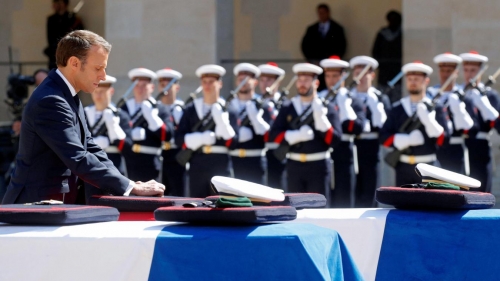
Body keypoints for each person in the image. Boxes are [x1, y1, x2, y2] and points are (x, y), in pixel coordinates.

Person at [2, 30, 165, 204]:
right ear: (74, 63)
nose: (103, 76)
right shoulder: (51, 100)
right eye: (98, 68)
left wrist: (127, 185)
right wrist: (130, 187)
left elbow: (91, 148)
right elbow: (77, 156)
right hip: (32, 210)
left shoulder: (67, 95)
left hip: (53, 207)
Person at [269, 63, 341, 204]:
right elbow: (274, 135)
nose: (302, 84)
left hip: (319, 166)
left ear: (316, 83)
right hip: (294, 165)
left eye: (307, 80)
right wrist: (293, 136)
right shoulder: (288, 107)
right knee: (295, 209)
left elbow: (335, 139)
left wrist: (322, 121)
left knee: (319, 209)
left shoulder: (326, 107)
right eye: (300, 80)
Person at [175, 65, 238, 198]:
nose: (208, 85)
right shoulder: (191, 109)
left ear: (220, 84)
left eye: (211, 82)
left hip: (220, 163)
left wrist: (223, 123)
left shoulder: (228, 109)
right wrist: (198, 138)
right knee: (197, 203)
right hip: (198, 163)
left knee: (221, 204)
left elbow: (234, 144)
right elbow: (178, 138)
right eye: (205, 82)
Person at [380, 62, 448, 186]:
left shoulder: (436, 108)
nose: (413, 82)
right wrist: (402, 140)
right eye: (410, 79)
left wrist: (430, 123)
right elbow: (383, 136)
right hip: (403, 168)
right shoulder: (398, 108)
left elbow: (445, 139)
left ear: (426, 81)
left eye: (417, 79)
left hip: (429, 167)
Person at [318, 56, 366, 207]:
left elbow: (359, 127)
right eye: (328, 76)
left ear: (344, 76)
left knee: (344, 198)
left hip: (345, 152)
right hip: (323, 150)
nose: (331, 80)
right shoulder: (318, 98)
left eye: (335, 76)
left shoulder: (353, 99)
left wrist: (345, 106)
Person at [348, 56, 391, 207]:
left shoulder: (380, 98)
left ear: (372, 75)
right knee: (350, 187)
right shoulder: (347, 96)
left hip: (371, 146)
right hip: (351, 145)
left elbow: (387, 127)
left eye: (364, 73)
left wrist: (376, 108)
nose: (360, 77)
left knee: (370, 186)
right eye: (357, 73)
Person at [83, 74, 133, 202]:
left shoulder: (120, 115)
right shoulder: (83, 113)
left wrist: (113, 127)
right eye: (96, 91)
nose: (98, 96)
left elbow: (127, 147)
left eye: (102, 92)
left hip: (113, 165)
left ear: (111, 91)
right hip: (90, 167)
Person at [120, 68, 174, 182]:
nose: (140, 89)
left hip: (151, 162)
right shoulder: (124, 108)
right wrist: (129, 133)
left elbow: (167, 135)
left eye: (144, 85)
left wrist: (152, 118)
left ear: (152, 87)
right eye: (137, 85)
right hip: (129, 161)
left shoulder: (159, 108)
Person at [460, 51, 500, 192]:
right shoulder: (458, 94)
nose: (469, 74)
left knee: (482, 193)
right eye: (466, 70)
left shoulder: (489, 95)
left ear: (480, 71)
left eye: (473, 70)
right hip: (459, 150)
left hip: (481, 150)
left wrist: (486, 107)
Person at [430, 53, 474, 174]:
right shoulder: (430, 95)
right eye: (443, 71)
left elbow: (472, 128)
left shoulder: (464, 96)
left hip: (456, 149)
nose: (445, 75)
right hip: (435, 148)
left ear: (456, 73)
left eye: (449, 71)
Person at [228, 63, 271, 184]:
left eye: (247, 79)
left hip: (255, 160)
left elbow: (269, 134)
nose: (243, 82)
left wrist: (257, 120)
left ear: (255, 82)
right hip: (233, 159)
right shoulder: (229, 105)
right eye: (241, 79)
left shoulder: (263, 104)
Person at [301, 3, 347, 91]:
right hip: (316, 65)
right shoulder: (312, 29)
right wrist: (312, 61)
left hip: (331, 66)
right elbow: (305, 46)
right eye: (319, 13)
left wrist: (331, 62)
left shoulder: (337, 29)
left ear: (328, 13)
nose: (321, 15)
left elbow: (341, 46)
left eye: (323, 12)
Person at [156, 68, 186, 196]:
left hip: (176, 155)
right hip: (158, 154)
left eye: (170, 85)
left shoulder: (183, 108)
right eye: (163, 85)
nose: (166, 90)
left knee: (177, 191)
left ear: (177, 87)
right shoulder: (154, 107)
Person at [258, 62, 286, 189]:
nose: (265, 84)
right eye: (262, 80)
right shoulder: (255, 103)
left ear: (278, 82)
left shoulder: (286, 103)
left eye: (269, 80)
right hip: (260, 155)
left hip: (281, 153)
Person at [372, 10, 402, 102]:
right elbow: (375, 51)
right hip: (384, 72)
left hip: (397, 71)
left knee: (396, 98)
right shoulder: (382, 34)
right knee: (382, 98)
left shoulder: (402, 34)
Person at [45, 0, 84, 69]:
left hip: (69, 52)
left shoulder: (73, 19)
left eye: (58, 3)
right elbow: (50, 38)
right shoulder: (51, 19)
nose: (55, 5)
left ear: (63, 4)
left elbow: (79, 35)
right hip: (55, 53)